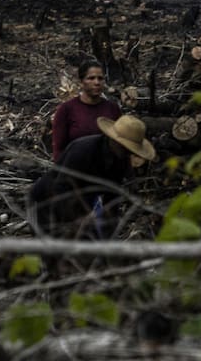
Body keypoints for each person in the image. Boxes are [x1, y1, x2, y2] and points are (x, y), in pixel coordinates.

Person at [27, 115, 157, 239]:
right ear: (113, 140)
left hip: (81, 204)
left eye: (130, 150)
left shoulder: (121, 161)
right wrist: (76, 222)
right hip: (46, 200)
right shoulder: (83, 150)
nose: (127, 153)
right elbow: (61, 188)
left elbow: (112, 198)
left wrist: (109, 231)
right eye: (125, 148)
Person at [50, 58, 121, 162]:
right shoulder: (66, 110)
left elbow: (121, 144)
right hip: (76, 167)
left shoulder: (112, 109)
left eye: (100, 78)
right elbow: (58, 149)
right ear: (81, 82)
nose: (97, 82)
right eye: (91, 78)